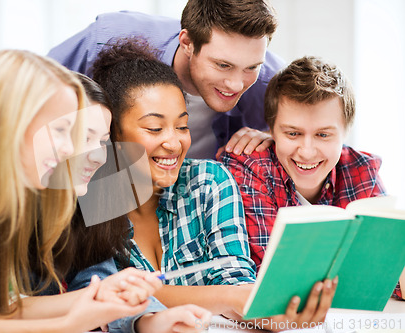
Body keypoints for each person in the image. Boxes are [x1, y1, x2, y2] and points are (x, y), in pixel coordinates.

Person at [0, 49, 176, 333]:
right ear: (11, 121)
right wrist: (72, 324)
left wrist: (96, 295)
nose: (69, 149)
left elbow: (3, 304)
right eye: (61, 131)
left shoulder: (3, 189)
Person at [91, 38, 337, 331]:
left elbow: (234, 278)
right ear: (111, 132)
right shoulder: (91, 203)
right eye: (155, 128)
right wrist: (232, 298)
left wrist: (262, 312)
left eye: (182, 126)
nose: (174, 142)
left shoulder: (209, 182)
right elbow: (104, 296)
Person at [30, 72, 212, 333]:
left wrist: (150, 321)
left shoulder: (77, 205)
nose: (96, 155)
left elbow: (95, 280)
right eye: (80, 136)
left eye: (102, 142)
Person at [48, 0, 285, 160]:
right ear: (187, 43)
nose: (236, 84)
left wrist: (279, 136)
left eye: (251, 67)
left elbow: (315, 132)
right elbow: (30, 96)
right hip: (103, 183)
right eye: (223, 65)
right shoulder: (109, 39)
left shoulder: (271, 80)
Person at [219, 56, 387, 270]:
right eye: (293, 133)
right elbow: (274, 272)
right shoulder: (252, 168)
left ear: (346, 132)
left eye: (323, 135)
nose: (307, 152)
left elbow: (392, 268)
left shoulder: (362, 170)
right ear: (270, 130)